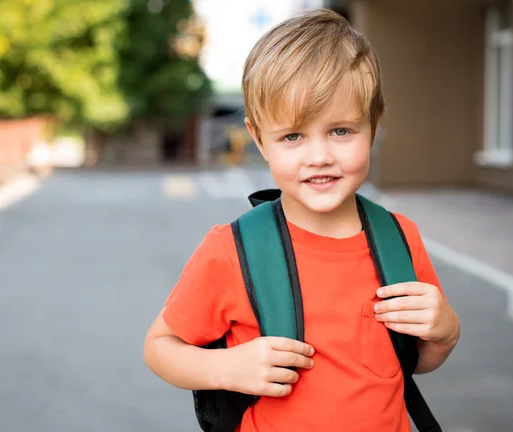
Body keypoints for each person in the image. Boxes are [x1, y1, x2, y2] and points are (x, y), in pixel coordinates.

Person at [143, 8, 460, 432]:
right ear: (259, 139)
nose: (319, 157)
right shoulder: (233, 251)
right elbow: (160, 347)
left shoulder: (399, 239)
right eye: (293, 136)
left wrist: (446, 333)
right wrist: (226, 367)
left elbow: (412, 362)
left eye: (341, 131)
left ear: (374, 125)